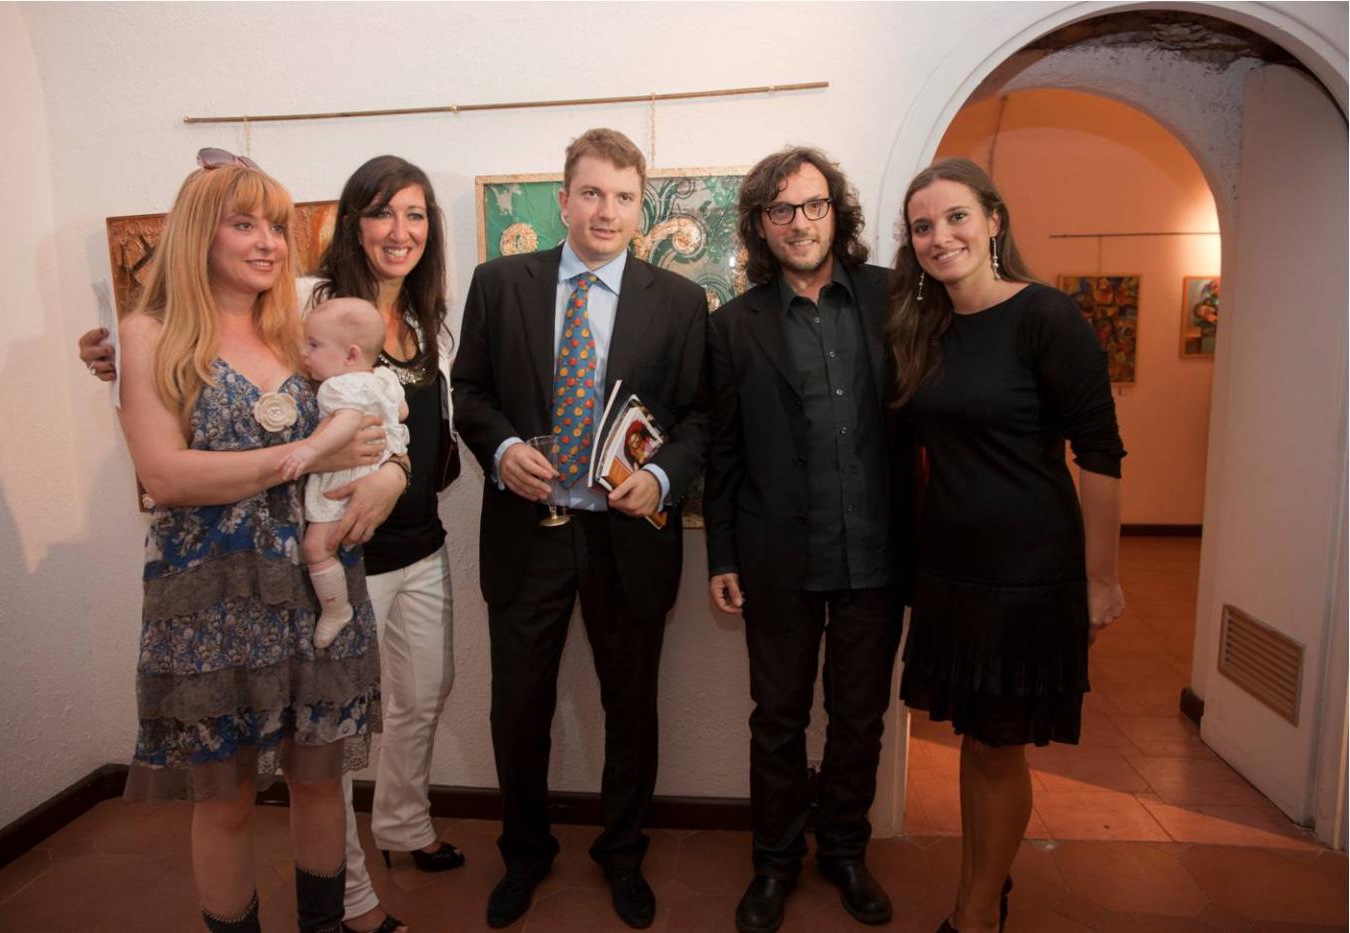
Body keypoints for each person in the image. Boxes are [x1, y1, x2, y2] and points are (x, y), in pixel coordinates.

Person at [80, 153, 464, 933]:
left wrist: (390, 471)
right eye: (244, 224)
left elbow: (372, 420)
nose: (268, 242)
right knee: (225, 802)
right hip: (215, 597)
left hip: (312, 592)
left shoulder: (297, 332)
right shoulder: (148, 334)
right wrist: (300, 460)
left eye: (277, 227)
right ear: (199, 232)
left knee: (319, 784)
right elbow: (166, 476)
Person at [451, 127, 710, 930]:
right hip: (528, 531)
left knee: (630, 707)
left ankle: (623, 854)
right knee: (518, 707)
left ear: (640, 207)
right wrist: (501, 451)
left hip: (625, 538)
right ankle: (524, 854)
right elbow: (469, 393)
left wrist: (661, 476)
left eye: (624, 197)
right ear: (563, 199)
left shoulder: (679, 301)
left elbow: (702, 417)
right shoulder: (500, 284)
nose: (607, 210)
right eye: (592, 192)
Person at [890, 157, 1125, 933]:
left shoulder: (1044, 316)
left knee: (999, 745)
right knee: (978, 740)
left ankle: (976, 910)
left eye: (956, 216)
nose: (940, 236)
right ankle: (982, 887)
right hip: (952, 573)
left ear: (994, 220)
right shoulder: (926, 329)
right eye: (923, 226)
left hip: (1028, 575)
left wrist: (1101, 580)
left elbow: (1100, 452)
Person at [703, 146, 915, 933]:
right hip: (777, 561)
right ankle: (775, 861)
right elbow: (723, 452)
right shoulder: (733, 326)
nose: (800, 222)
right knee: (778, 719)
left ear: (838, 211)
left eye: (814, 204)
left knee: (860, 718)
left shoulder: (892, 298)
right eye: (782, 209)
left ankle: (846, 851)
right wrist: (722, 555)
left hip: (876, 558)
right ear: (761, 225)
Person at [281, 298, 410, 649]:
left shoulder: (339, 387)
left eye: (314, 345)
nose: (305, 353)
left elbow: (347, 423)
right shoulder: (383, 377)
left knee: (316, 548)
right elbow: (401, 411)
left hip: (345, 480)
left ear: (351, 355)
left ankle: (335, 609)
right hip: (376, 471)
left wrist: (309, 450)